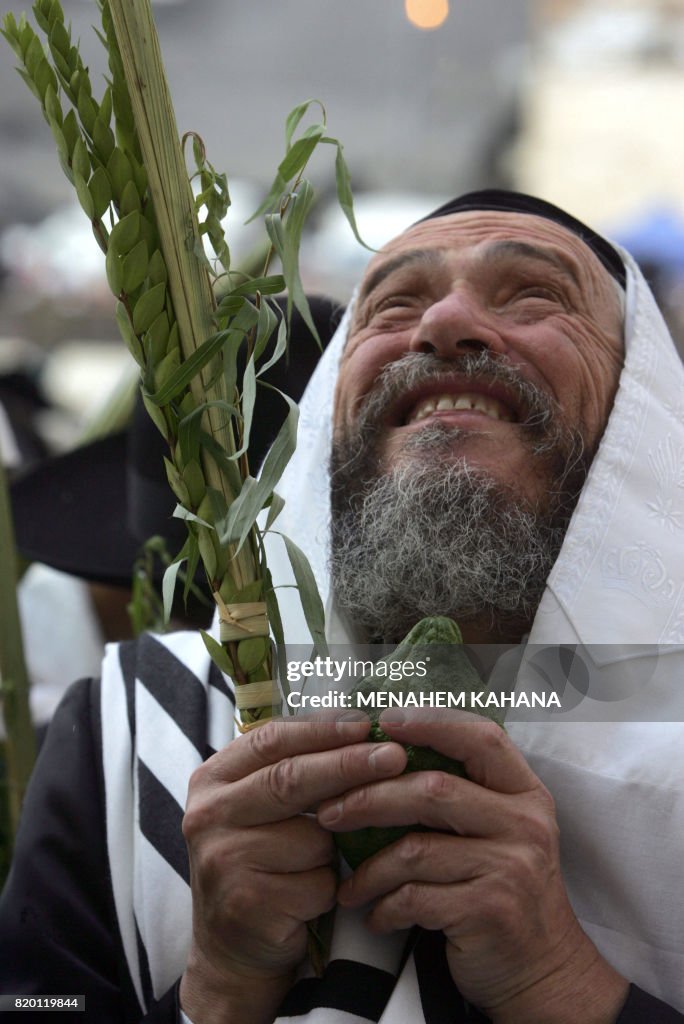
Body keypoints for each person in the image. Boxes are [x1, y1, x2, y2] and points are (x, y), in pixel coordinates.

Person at [1, 191, 683, 1024]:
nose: (444, 323)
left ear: (641, 403)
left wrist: (561, 988)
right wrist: (217, 988)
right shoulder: (135, 732)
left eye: (532, 294)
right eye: (394, 303)